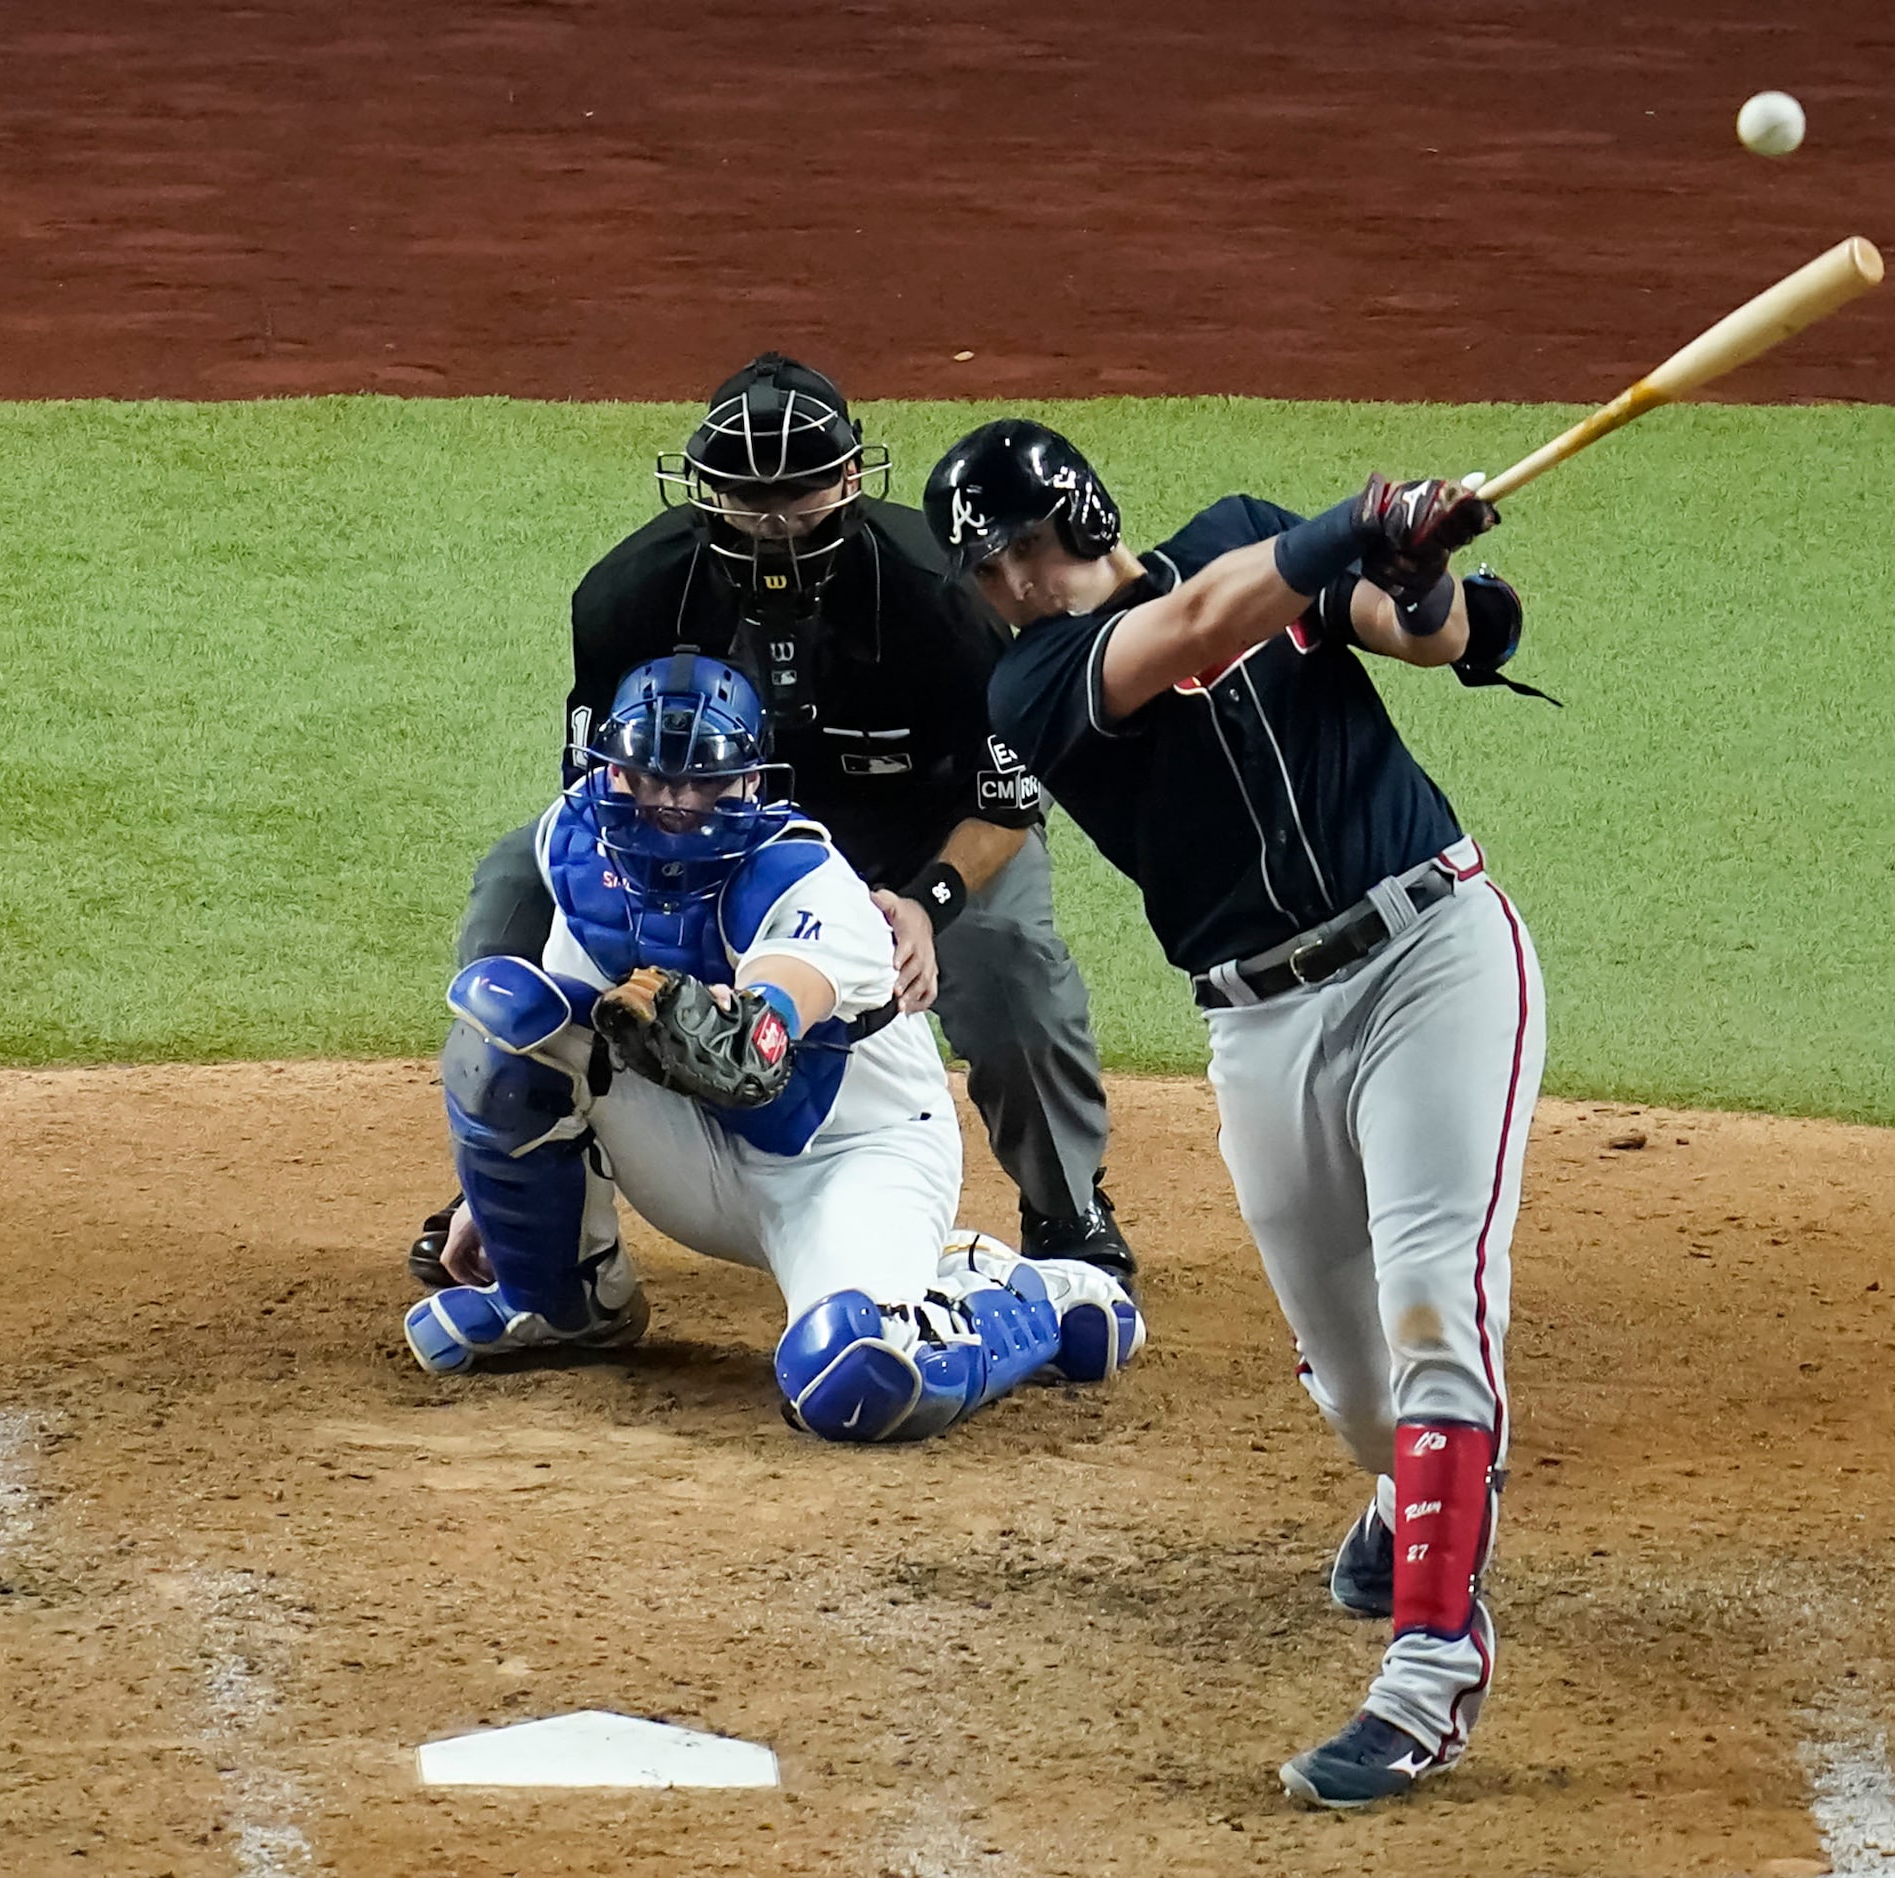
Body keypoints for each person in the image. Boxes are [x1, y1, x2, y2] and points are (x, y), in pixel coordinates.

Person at [922, 420, 1544, 1806]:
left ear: (1079, 516)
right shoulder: (1035, 683)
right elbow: (1197, 625)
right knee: (1352, 1378)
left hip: (1434, 953)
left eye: (1022, 548)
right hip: (1262, 1022)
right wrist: (1348, 527)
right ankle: (1407, 1490)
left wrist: (1417, 566)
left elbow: (1425, 637)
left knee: (1438, 1305)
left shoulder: (1244, 532)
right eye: (988, 569)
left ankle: (1432, 1673)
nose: (1011, 584)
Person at [414, 352, 1129, 1291]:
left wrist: (927, 904)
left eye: (799, 491)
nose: (774, 520)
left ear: (848, 479)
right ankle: (512, 1170)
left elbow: (1006, 797)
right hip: (714, 838)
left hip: (921, 834)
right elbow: (602, 793)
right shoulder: (629, 594)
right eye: (746, 495)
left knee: (1007, 961)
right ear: (701, 489)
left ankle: (1066, 1206)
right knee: (518, 885)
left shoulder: (941, 596)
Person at [406, 651, 1143, 1441]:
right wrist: (509, 1199)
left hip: (846, 1158)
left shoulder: (808, 882)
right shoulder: (574, 844)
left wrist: (744, 1014)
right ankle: (558, 1303)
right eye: (650, 778)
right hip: (692, 1152)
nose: (673, 806)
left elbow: (761, 1036)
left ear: (752, 783)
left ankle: (1034, 1299)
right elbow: (566, 1037)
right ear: (610, 771)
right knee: (507, 1017)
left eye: (703, 782)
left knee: (855, 1378)